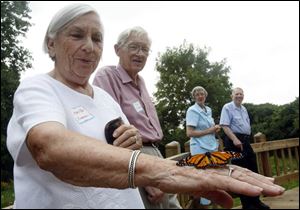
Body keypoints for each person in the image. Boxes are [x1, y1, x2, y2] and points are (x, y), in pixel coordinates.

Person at [6, 4, 285, 209]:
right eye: (77, 35)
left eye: (97, 38)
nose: (90, 47)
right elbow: (51, 149)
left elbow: (122, 143)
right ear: (51, 44)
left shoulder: (104, 98)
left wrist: (136, 141)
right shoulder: (37, 87)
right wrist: (164, 172)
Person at [92, 26, 181, 209]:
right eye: (134, 47)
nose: (140, 54)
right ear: (117, 49)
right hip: (133, 158)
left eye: (145, 49)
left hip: (155, 153)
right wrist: (144, 175)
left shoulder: (141, 82)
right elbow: (112, 131)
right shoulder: (107, 76)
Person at [219, 87, 271, 209]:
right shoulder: (227, 107)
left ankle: (256, 201)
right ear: (232, 96)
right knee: (241, 173)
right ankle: (247, 204)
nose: (239, 96)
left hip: (245, 141)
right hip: (234, 141)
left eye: (241, 94)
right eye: (236, 94)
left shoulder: (244, 108)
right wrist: (235, 139)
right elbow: (224, 126)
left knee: (252, 170)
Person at [186, 86, 221, 207]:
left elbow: (209, 129)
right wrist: (210, 130)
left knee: (213, 178)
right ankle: (203, 205)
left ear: (205, 96)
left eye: (202, 94)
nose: (200, 96)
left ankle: (212, 205)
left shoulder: (208, 110)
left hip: (212, 146)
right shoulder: (192, 110)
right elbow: (189, 133)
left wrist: (215, 129)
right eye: (197, 95)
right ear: (194, 97)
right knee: (203, 180)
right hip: (199, 148)